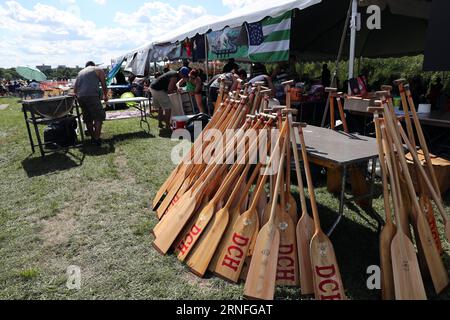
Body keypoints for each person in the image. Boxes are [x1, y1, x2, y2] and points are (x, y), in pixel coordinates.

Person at [74, 61, 108, 146]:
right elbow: (104, 84)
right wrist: (105, 96)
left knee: (88, 119)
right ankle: (97, 139)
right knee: (98, 117)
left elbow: (75, 90)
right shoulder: (98, 69)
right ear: (94, 65)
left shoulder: (80, 72)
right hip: (92, 96)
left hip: (80, 97)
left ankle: (93, 138)